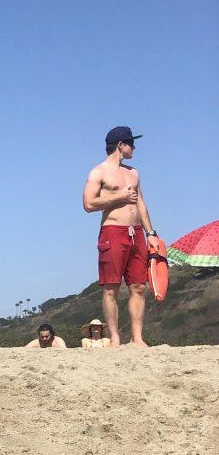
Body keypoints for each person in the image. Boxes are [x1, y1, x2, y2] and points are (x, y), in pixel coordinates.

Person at [82, 126, 161, 348]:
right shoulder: (98, 172)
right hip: (113, 231)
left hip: (136, 233)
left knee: (139, 286)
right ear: (120, 145)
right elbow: (88, 204)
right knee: (111, 287)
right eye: (131, 143)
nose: (134, 147)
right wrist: (120, 196)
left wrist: (151, 233)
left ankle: (137, 338)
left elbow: (141, 204)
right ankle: (115, 338)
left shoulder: (133, 172)